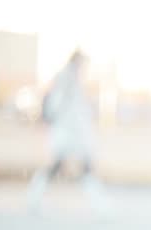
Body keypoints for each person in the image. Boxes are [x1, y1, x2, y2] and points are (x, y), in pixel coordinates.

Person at [27, 50, 108, 215]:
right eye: (84, 63)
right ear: (77, 61)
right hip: (67, 134)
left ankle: (99, 204)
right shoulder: (66, 78)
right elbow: (56, 106)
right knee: (63, 166)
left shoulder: (72, 79)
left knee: (75, 166)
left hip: (71, 133)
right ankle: (34, 198)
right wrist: (53, 121)